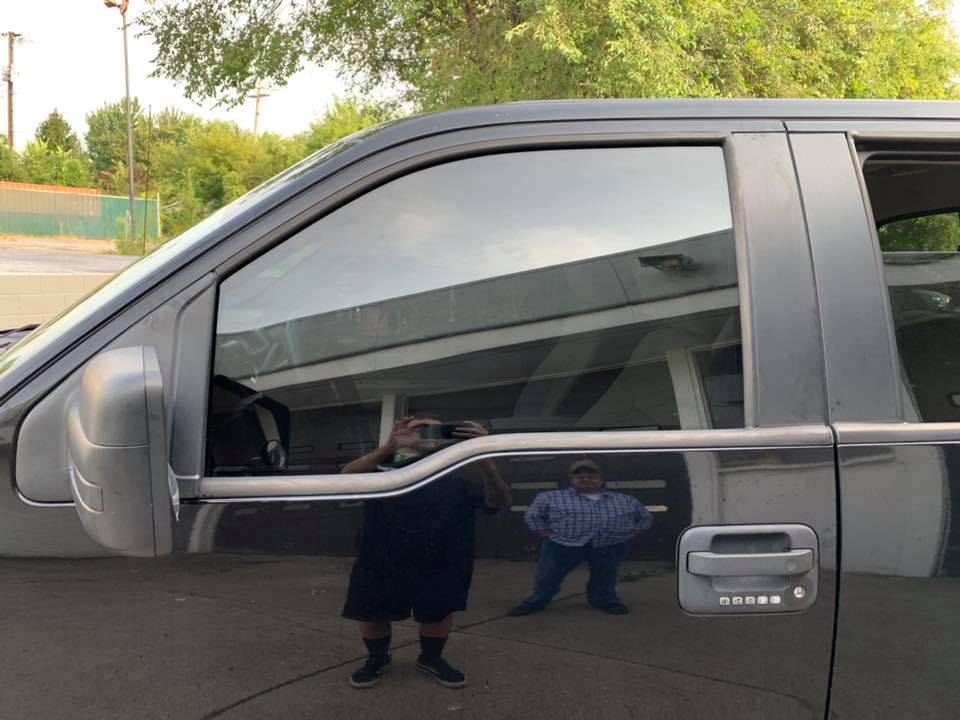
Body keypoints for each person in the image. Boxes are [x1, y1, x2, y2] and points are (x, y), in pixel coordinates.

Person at [341, 414, 511, 689]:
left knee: (438, 613)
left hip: (443, 558)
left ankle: (431, 658)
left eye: (434, 429)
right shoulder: (382, 467)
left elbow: (498, 501)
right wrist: (388, 448)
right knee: (372, 613)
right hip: (381, 556)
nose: (426, 433)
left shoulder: (459, 470)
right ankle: (377, 658)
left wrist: (486, 460)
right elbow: (345, 480)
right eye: (418, 428)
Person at [507, 458, 652, 616]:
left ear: (601, 480)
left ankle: (605, 601)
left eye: (591, 477)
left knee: (606, 575)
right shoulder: (550, 497)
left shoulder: (625, 499)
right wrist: (544, 532)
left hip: (609, 544)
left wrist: (632, 532)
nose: (586, 479)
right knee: (548, 575)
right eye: (580, 477)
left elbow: (644, 517)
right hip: (562, 544)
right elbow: (533, 515)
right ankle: (536, 602)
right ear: (571, 480)